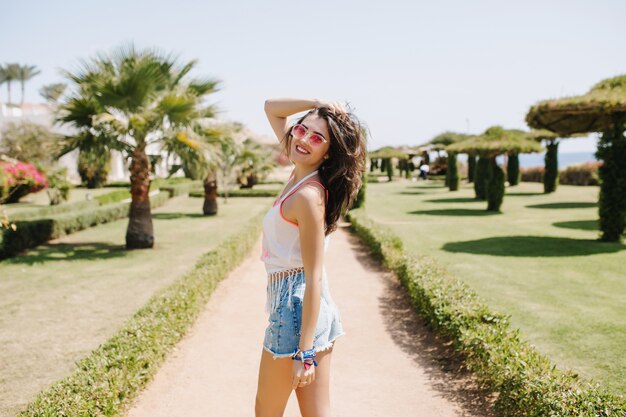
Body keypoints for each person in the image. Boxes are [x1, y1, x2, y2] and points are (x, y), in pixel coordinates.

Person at [255, 98, 366, 417]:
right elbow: (271, 107)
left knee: (266, 411)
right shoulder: (301, 171)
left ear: (328, 152)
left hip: (295, 310)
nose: (303, 138)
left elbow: (314, 274)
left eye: (317, 137)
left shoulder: (307, 195)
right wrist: (319, 104)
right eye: (301, 129)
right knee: (317, 412)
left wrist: (305, 354)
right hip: (310, 308)